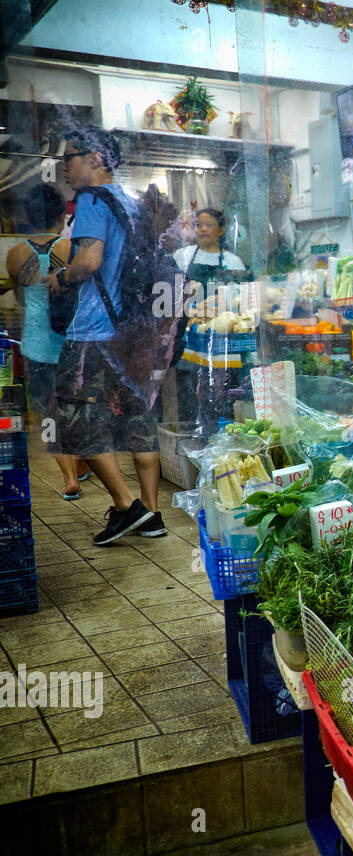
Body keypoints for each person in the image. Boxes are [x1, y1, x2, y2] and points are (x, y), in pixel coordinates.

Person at [40, 126, 165, 544]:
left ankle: (127, 508)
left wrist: (61, 277)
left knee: (76, 424)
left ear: (95, 158)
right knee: (137, 419)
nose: (64, 167)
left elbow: (89, 262)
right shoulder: (132, 203)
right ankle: (152, 511)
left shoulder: (92, 200)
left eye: (69, 157)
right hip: (131, 334)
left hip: (92, 332)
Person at [5, 184, 92, 500]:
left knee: (47, 413)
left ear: (27, 217)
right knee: (76, 409)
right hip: (71, 344)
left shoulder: (15, 255)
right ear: (61, 215)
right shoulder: (71, 250)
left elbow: (21, 300)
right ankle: (81, 461)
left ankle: (70, 477)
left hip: (37, 345)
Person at [173, 207, 246, 291]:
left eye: (209, 225)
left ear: (221, 230)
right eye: (199, 225)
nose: (203, 229)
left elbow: (240, 295)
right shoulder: (183, 255)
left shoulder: (233, 261)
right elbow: (173, 291)